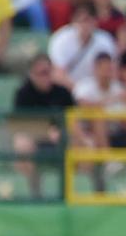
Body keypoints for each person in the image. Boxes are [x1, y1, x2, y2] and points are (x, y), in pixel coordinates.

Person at [10, 53, 77, 198]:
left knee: (84, 143)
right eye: (41, 73)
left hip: (62, 137)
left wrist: (63, 131)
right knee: (21, 145)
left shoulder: (63, 93)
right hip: (36, 138)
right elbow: (19, 126)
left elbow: (74, 120)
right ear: (31, 74)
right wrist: (46, 131)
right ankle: (34, 194)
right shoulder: (23, 94)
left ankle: (80, 194)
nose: (45, 77)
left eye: (48, 72)